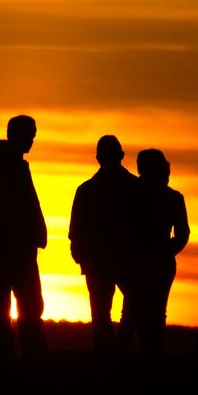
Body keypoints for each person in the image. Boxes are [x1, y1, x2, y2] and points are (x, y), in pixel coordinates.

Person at [0, 115, 49, 358]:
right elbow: (18, 205)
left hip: (11, 242)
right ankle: (27, 352)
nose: (31, 141)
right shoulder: (9, 165)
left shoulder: (5, 162)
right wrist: (32, 232)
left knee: (15, 302)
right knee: (26, 303)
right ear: (17, 135)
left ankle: (12, 351)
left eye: (33, 136)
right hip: (14, 244)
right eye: (29, 135)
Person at [69, 135, 139, 352]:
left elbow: (75, 231)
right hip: (106, 260)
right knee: (110, 310)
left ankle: (112, 352)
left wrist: (81, 254)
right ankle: (111, 354)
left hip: (118, 259)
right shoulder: (135, 188)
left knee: (113, 310)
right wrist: (81, 255)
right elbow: (76, 230)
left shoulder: (88, 189)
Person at [122, 149, 189, 354]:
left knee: (137, 310)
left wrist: (166, 251)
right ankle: (148, 354)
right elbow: (182, 234)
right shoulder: (137, 194)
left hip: (148, 261)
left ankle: (132, 354)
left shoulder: (133, 194)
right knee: (149, 310)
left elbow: (182, 233)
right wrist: (167, 251)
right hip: (146, 261)